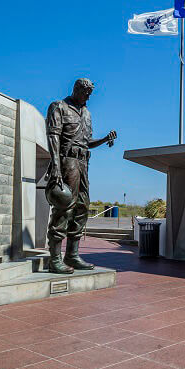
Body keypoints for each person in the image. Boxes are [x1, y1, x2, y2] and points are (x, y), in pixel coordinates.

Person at [44, 78, 116, 274]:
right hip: (67, 162)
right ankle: (55, 258)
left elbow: (86, 142)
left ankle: (72, 255)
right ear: (76, 89)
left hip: (84, 163)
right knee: (64, 206)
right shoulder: (59, 106)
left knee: (82, 206)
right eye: (86, 92)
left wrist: (103, 140)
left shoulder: (87, 114)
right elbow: (53, 137)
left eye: (90, 94)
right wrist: (56, 168)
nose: (88, 97)